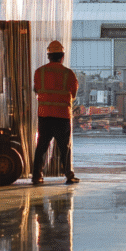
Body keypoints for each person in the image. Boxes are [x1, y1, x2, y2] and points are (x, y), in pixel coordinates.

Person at [32, 40, 80, 185]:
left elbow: (37, 90)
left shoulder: (39, 72)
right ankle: (68, 175)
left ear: (48, 56)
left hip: (45, 115)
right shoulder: (69, 74)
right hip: (62, 116)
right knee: (65, 148)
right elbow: (73, 94)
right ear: (62, 56)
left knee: (41, 147)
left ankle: (37, 176)